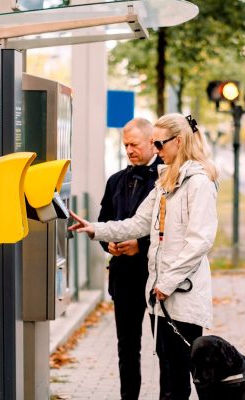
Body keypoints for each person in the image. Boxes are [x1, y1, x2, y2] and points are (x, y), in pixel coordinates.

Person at [70, 113, 218, 400]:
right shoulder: (165, 182)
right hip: (161, 292)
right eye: (154, 144)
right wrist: (95, 229)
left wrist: (167, 282)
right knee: (165, 362)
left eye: (159, 144)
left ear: (179, 141)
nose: (156, 150)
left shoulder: (198, 182)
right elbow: (137, 223)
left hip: (179, 292)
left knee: (177, 373)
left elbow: (199, 241)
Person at [98, 117, 163, 400]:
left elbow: (172, 230)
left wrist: (141, 245)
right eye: (126, 145)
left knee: (165, 349)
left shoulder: (166, 180)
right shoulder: (115, 181)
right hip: (123, 278)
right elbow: (104, 222)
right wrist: (109, 245)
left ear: (152, 142)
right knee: (127, 347)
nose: (129, 150)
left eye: (134, 144)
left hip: (155, 278)